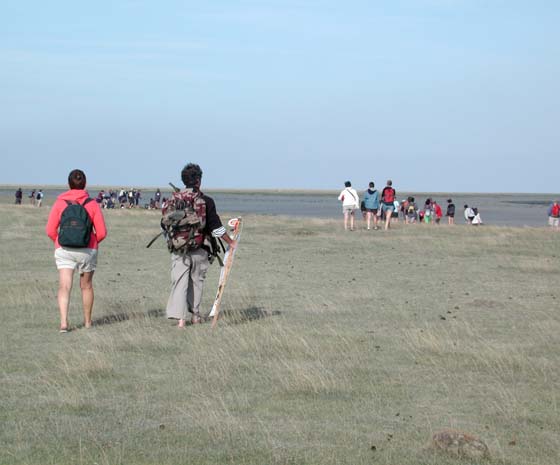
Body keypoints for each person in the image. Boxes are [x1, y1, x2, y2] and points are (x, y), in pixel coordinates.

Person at [164, 163, 237, 327]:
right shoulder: (206, 201)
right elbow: (215, 228)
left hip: (178, 248)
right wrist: (230, 242)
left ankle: (181, 320)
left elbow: (165, 224)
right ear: (198, 181)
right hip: (200, 247)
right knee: (197, 281)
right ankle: (195, 316)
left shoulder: (174, 199)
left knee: (179, 282)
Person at [45, 169, 107, 332]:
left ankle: (64, 323)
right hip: (88, 250)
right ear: (85, 184)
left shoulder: (60, 203)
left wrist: (59, 242)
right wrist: (90, 242)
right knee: (86, 286)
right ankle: (87, 322)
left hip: (64, 249)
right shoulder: (92, 203)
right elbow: (102, 232)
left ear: (68, 184)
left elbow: (50, 230)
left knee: (64, 286)